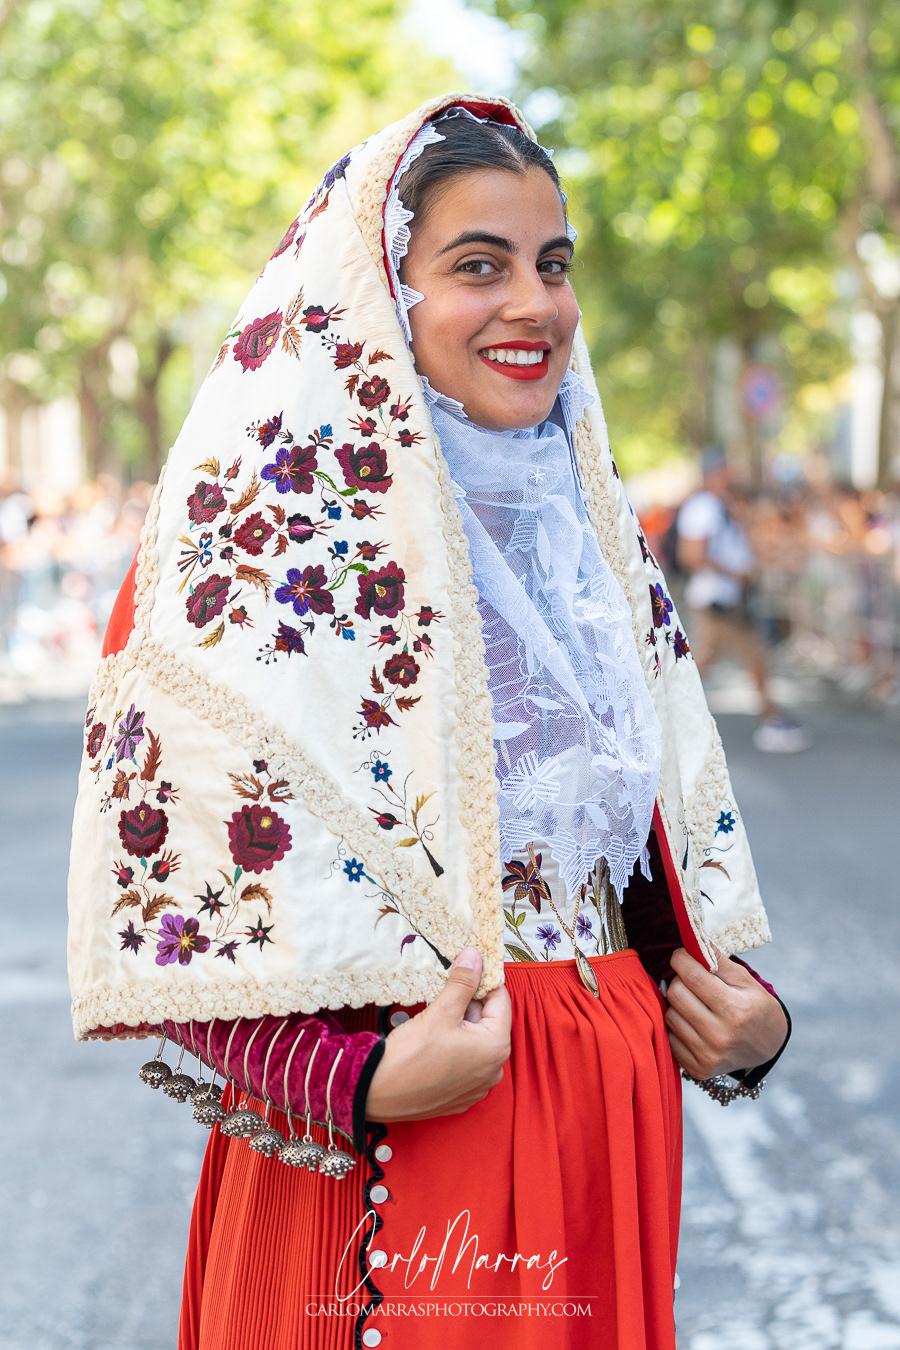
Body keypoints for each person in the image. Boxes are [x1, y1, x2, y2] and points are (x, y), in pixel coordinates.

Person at [67, 96, 791, 1350]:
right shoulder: (255, 544)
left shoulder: (584, 538)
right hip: (405, 1137)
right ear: (377, 297)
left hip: (607, 1110)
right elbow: (171, 900)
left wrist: (749, 1019)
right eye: (478, 266)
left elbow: (634, 843)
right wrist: (352, 1081)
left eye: (553, 265)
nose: (535, 304)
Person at [677, 447, 810, 753]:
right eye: (728, 468)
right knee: (739, 657)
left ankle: (770, 717)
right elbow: (692, 555)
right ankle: (771, 719)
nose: (733, 474)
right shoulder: (704, 507)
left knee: (719, 659)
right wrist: (735, 573)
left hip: (723, 599)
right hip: (716, 600)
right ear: (717, 471)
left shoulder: (718, 504)